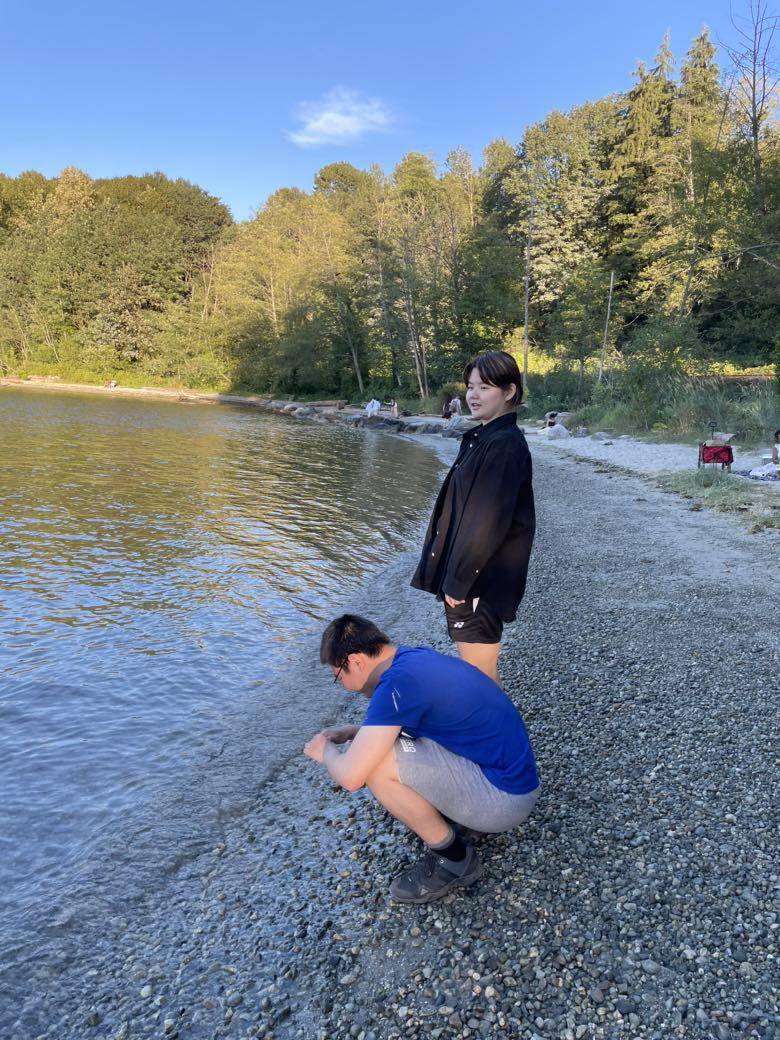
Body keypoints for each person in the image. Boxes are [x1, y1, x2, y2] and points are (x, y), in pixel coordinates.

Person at [303, 615, 540, 904]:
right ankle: (463, 824)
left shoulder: (396, 685)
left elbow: (351, 777)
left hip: (504, 801)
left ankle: (454, 860)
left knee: (375, 767)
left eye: (339, 676)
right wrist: (355, 732)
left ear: (355, 661)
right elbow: (411, 727)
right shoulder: (412, 659)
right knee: (384, 748)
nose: (342, 684)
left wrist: (326, 752)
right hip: (513, 779)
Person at [411, 351, 535, 684]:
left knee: (480, 678)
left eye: (484, 387)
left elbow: (488, 521)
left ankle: (497, 721)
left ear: (509, 392)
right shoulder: (482, 439)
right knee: (479, 677)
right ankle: (494, 719)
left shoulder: (504, 446)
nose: (473, 395)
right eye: (470, 387)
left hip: (479, 582)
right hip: (471, 579)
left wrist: (460, 580)